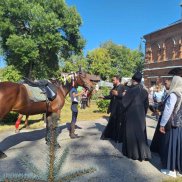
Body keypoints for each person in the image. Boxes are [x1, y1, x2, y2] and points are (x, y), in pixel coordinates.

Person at [119, 71, 151, 161]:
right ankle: (143, 154)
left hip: (131, 115)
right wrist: (143, 114)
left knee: (131, 134)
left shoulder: (131, 90)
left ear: (133, 80)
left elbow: (124, 104)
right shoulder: (144, 91)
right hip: (140, 115)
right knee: (140, 133)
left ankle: (133, 154)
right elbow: (146, 105)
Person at [157, 76, 182, 178]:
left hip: (172, 124)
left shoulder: (173, 94)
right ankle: (178, 168)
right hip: (180, 124)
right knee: (178, 146)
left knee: (170, 145)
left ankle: (171, 169)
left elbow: (168, 110)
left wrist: (162, 124)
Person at [150, 78, 172, 154]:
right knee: (159, 133)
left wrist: (161, 112)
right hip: (162, 113)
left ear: (171, 83)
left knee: (163, 134)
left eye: (166, 83)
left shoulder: (172, 94)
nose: (164, 85)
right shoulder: (167, 92)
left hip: (167, 117)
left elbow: (169, 108)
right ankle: (156, 148)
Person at [100, 75, 125, 142]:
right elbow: (111, 96)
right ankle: (111, 136)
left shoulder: (122, 87)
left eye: (113, 80)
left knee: (117, 123)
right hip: (114, 107)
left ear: (117, 80)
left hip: (119, 107)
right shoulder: (115, 87)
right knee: (112, 122)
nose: (112, 81)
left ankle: (117, 138)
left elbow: (123, 96)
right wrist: (104, 97)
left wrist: (118, 94)